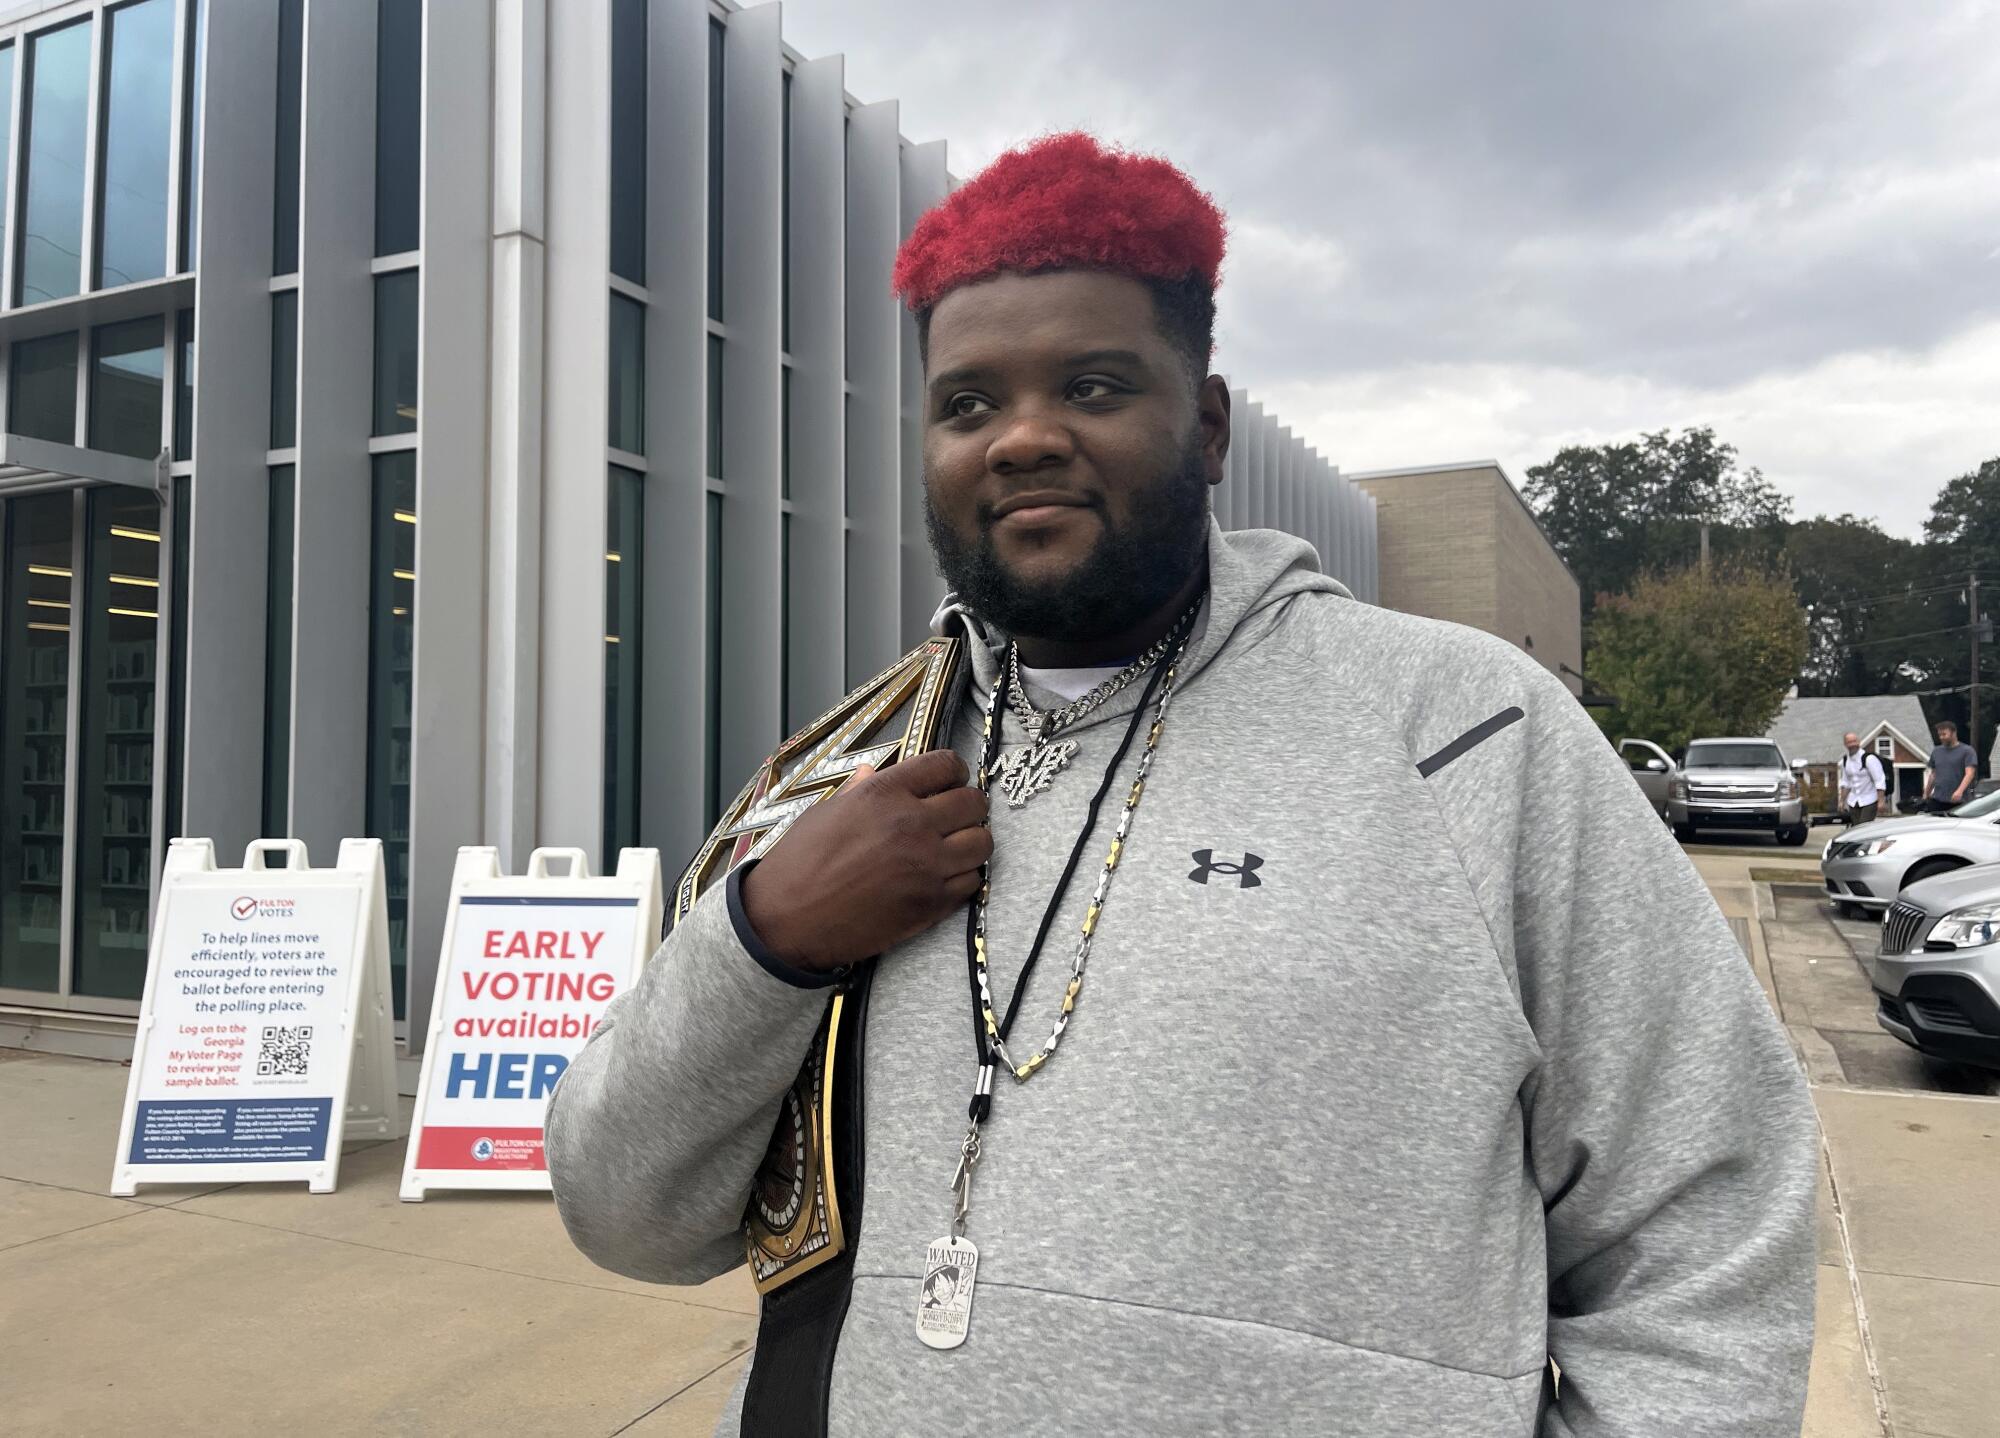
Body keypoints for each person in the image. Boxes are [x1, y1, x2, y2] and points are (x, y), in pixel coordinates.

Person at [546, 133, 1815, 1437]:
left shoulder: (1466, 732)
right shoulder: (847, 770)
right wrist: (768, 940)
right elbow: (622, 1209)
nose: (1024, 436)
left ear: (1205, 427)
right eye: (968, 403)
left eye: (1093, 386)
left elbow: (1704, 1227)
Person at [1923, 720, 1978, 814]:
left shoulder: (1967, 751)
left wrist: (1959, 791)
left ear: (1954, 733)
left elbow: (1970, 773)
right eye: (1939, 735)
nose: (1941, 737)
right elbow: (1933, 774)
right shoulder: (1936, 751)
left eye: (1944, 734)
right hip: (1938, 799)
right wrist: (1926, 792)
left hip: (1959, 800)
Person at [1839, 730, 1887, 825]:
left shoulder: (1869, 759)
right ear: (1845, 744)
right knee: (1855, 829)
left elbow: (1879, 780)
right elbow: (1846, 783)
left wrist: (1881, 801)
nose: (1853, 744)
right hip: (1853, 801)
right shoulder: (1845, 761)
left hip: (1869, 800)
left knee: (1864, 827)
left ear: (1859, 742)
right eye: (1849, 742)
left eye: (1854, 741)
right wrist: (1841, 801)